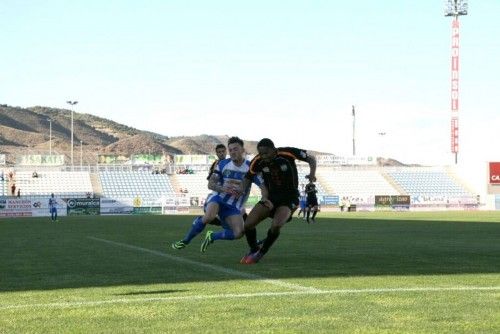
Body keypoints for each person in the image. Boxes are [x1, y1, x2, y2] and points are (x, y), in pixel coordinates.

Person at [171, 139, 260, 250]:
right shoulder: (223, 164)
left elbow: (262, 184)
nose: (232, 152)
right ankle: (185, 240)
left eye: (235, 149)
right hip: (218, 198)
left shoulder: (250, 168)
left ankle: (212, 236)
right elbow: (211, 184)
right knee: (209, 217)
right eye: (230, 150)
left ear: (243, 150)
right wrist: (223, 188)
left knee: (239, 233)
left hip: (233, 206)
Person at [239, 138, 316, 264]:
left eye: (266, 153)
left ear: (274, 150)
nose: (263, 156)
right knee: (248, 224)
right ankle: (254, 249)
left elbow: (311, 159)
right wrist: (240, 191)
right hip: (270, 198)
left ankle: (261, 253)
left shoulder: (287, 153)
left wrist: (312, 174)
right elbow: (248, 177)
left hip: (289, 198)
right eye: (261, 153)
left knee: (276, 225)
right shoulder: (258, 161)